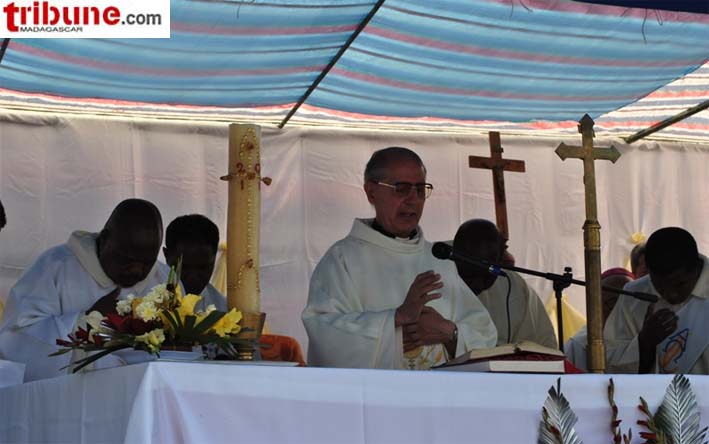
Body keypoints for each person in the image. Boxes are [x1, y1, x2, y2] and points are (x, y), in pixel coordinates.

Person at [302, 147, 496, 370]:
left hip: (440, 391)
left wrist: (450, 333)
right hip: (373, 392)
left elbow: (485, 336)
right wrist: (395, 321)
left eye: (420, 189)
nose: (413, 199)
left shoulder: (439, 261)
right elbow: (324, 333)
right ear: (371, 192)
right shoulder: (342, 259)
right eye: (401, 188)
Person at [0, 198, 165, 381]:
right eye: (127, 259)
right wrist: (86, 322)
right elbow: (14, 340)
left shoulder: (164, 281)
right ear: (105, 239)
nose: (136, 270)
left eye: (147, 263)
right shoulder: (54, 267)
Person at [605, 227, 708, 374]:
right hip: (648, 389)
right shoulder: (634, 294)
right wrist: (644, 342)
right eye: (659, 286)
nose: (671, 295)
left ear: (696, 268)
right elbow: (609, 360)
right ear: (649, 272)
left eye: (679, 284)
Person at [453, 219, 557, 349]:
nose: (479, 284)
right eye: (471, 277)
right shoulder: (435, 274)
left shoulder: (512, 285)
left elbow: (540, 347)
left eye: (486, 278)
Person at [564, 267, 634, 371]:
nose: (618, 308)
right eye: (612, 301)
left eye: (626, 302)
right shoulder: (577, 346)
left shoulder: (643, 338)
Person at [161, 214, 226, 311]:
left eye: (203, 268)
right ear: (167, 256)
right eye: (184, 267)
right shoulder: (142, 301)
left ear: (214, 258)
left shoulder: (223, 310)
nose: (193, 277)